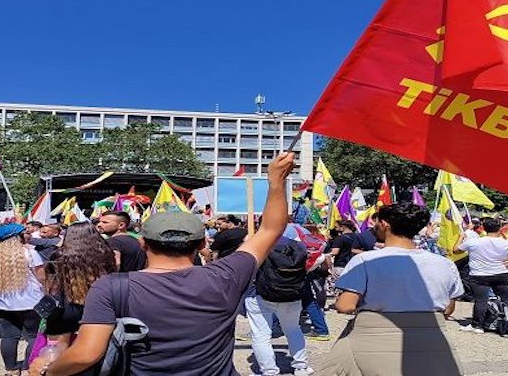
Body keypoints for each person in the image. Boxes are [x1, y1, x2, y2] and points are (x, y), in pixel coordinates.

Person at [30, 152, 295, 376]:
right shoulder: (227, 275)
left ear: (143, 243)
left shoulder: (110, 287)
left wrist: (48, 370)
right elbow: (270, 229)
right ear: (200, 244)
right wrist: (276, 181)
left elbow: (85, 354)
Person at [322, 203, 464, 376]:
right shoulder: (445, 264)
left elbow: (345, 306)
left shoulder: (365, 260)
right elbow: (448, 308)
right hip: (432, 340)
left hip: (374, 339)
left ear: (384, 224)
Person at [246, 234, 313, 376]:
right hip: (293, 294)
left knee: (261, 335)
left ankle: (269, 371)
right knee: (293, 329)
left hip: (262, 294)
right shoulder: (297, 245)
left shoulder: (259, 243)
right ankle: (301, 367)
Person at [0, 224, 45, 375]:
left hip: (0, 302)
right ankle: (28, 368)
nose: (29, 235)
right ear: (16, 236)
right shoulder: (29, 253)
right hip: (29, 302)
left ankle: (11, 369)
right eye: (25, 233)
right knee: (34, 336)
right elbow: (42, 277)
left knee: (9, 335)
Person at [42, 223, 115, 348]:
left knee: (58, 347)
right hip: (96, 302)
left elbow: (51, 283)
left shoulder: (59, 255)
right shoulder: (106, 254)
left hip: (66, 303)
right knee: (93, 344)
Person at [454, 218, 508, 334]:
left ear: (484, 229)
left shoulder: (474, 242)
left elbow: (455, 250)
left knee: (481, 300)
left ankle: (477, 325)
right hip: (500, 273)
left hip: (479, 275)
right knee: (506, 300)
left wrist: (461, 236)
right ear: (500, 228)